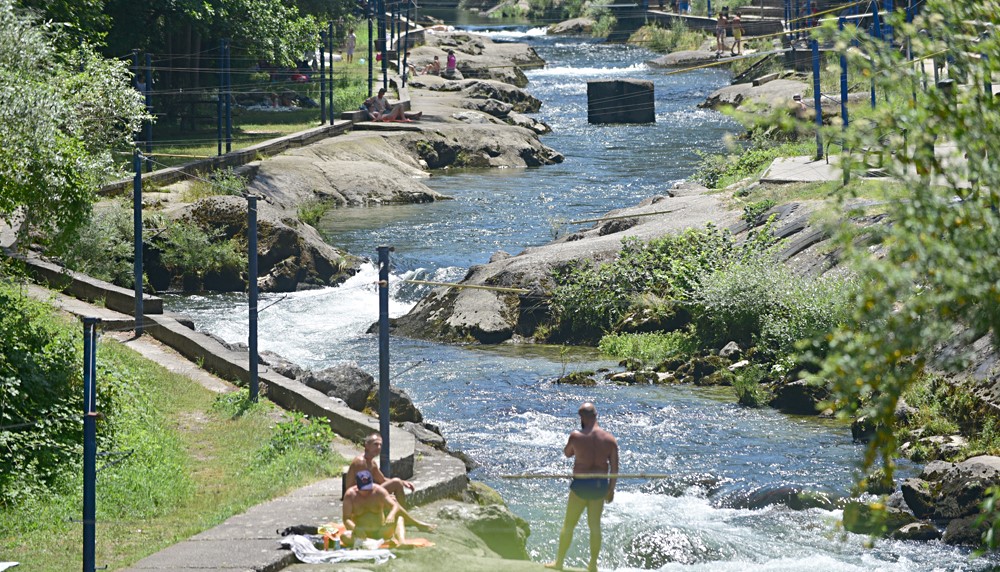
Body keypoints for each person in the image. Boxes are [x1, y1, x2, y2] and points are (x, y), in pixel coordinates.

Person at [546, 402, 619, 572]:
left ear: (582, 418)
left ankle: (559, 562)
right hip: (599, 486)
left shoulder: (576, 436)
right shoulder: (610, 440)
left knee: (569, 524)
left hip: (580, 485)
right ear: (596, 415)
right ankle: (593, 565)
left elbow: (567, 453)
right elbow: (615, 469)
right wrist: (611, 490)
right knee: (594, 526)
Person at [341, 470, 435, 548]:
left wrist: (391, 514)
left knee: (398, 517)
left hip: (381, 532)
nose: (366, 492)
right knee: (344, 536)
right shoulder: (350, 495)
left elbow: (395, 506)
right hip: (362, 534)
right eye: (363, 489)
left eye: (368, 488)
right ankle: (367, 543)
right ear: (357, 485)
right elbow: (346, 518)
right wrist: (356, 528)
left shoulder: (378, 491)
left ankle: (401, 542)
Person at [345, 433, 416, 506]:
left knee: (397, 483)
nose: (379, 447)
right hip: (356, 498)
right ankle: (401, 514)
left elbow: (382, 480)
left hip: (366, 494)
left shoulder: (372, 463)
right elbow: (363, 489)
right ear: (367, 445)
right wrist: (384, 495)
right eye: (375, 444)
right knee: (396, 483)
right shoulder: (361, 462)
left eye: (380, 445)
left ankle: (400, 513)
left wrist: (403, 482)